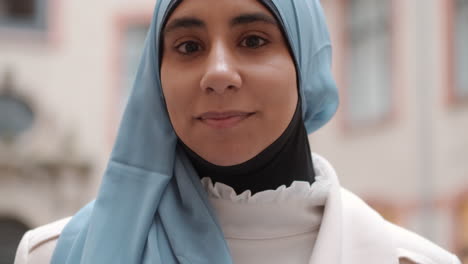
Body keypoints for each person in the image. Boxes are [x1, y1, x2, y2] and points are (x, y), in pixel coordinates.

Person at [14, 0, 461, 263]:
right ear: (156, 77)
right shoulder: (54, 255)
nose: (218, 73)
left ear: (304, 65)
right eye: (188, 47)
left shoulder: (412, 262)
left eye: (253, 40)